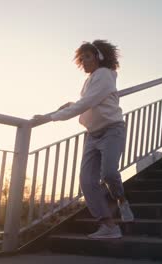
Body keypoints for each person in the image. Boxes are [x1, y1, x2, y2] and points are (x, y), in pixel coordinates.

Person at [33, 40, 134, 239]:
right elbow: (88, 103)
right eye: (82, 58)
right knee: (87, 181)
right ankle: (109, 226)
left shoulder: (105, 75)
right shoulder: (90, 80)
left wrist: (50, 117)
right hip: (92, 134)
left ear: (100, 57)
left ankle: (122, 201)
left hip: (112, 131)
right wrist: (71, 105)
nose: (84, 61)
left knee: (109, 173)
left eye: (88, 56)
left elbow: (87, 102)